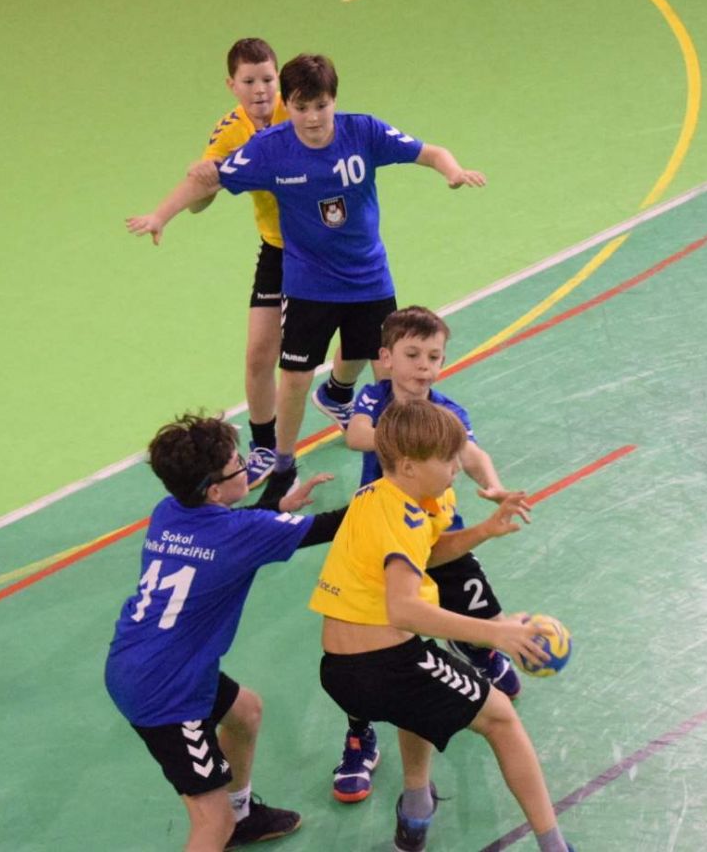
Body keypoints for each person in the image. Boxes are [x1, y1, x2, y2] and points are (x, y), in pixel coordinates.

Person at [130, 53, 486, 493]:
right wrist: (160, 216)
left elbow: (430, 152)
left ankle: (391, 470)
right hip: (308, 283)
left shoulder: (364, 131)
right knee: (296, 378)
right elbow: (208, 180)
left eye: (321, 105)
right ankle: (283, 464)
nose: (313, 117)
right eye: (301, 107)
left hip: (369, 279)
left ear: (334, 99)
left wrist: (453, 171)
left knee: (388, 375)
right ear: (289, 104)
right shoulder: (270, 148)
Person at [309, 400, 575, 852]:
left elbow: (424, 556)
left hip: (346, 669)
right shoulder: (401, 515)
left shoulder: (382, 497)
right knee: (502, 719)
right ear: (409, 466)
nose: (457, 467)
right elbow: (403, 609)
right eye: (448, 459)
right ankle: (555, 847)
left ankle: (416, 809)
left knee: (420, 698)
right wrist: (497, 632)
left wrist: (484, 530)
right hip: (382, 664)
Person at [103, 412, 344, 851]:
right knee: (212, 822)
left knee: (245, 712)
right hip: (167, 692)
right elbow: (332, 526)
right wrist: (396, 495)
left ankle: (243, 815)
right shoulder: (241, 532)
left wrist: (276, 509)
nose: (248, 467)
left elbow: (226, 531)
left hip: (139, 660)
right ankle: (229, 823)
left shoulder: (168, 512)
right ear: (214, 490)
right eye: (238, 464)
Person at [125, 37, 348, 488]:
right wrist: (165, 212)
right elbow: (203, 195)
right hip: (279, 249)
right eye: (249, 81)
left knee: (361, 333)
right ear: (232, 85)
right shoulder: (229, 132)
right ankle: (264, 446)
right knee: (259, 354)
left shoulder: (299, 108)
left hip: (331, 243)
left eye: (267, 79)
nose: (260, 89)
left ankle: (338, 394)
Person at [328, 306, 526, 804]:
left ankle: (478, 649)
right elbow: (355, 436)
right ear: (386, 358)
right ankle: (360, 735)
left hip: (439, 537)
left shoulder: (448, 411)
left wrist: (493, 485)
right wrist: (411, 442)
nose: (423, 366)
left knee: (482, 612)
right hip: (380, 542)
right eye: (412, 354)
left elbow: (473, 454)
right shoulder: (374, 398)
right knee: (368, 646)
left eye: (433, 357)